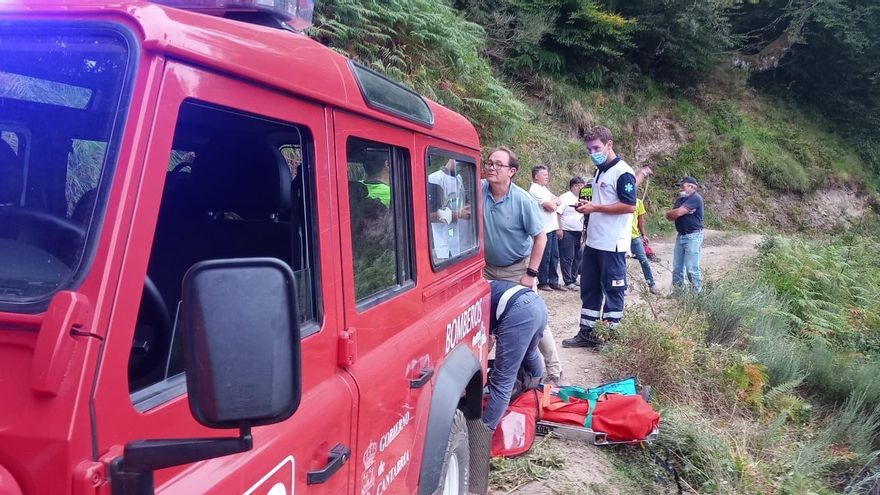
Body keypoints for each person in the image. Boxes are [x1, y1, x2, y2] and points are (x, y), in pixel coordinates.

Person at [482, 146, 563, 385]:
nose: (492, 167)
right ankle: (477, 371)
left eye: (498, 164)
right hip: (486, 268)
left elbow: (541, 237)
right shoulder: (479, 190)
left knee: (532, 318)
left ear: (512, 172)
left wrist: (531, 273)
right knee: (483, 318)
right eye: (489, 162)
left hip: (518, 268)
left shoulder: (522, 200)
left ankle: (554, 369)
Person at [563, 126, 637, 349]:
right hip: (594, 241)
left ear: (609, 144)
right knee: (590, 288)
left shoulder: (623, 172)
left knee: (613, 290)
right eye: (589, 149)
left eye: (596, 148)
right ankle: (588, 333)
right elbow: (599, 204)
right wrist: (586, 207)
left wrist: (595, 207)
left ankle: (610, 337)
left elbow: (629, 205)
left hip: (612, 244)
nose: (592, 152)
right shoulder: (599, 172)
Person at [483, 279, 546, 431]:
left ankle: (484, 433)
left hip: (517, 311)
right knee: (529, 353)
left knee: (503, 379)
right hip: (536, 303)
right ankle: (534, 389)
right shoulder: (480, 284)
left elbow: (486, 343)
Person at [665, 176, 704, 294]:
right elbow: (669, 216)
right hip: (681, 235)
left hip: (693, 236)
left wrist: (679, 213)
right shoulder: (680, 200)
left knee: (692, 268)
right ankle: (678, 293)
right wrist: (679, 212)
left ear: (691, 187)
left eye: (682, 186)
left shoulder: (695, 198)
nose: (680, 188)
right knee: (677, 268)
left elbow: (677, 212)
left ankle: (697, 294)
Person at [528, 165, 564, 291]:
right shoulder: (535, 190)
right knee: (545, 255)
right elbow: (552, 206)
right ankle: (543, 281)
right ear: (536, 176)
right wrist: (553, 203)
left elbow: (558, 200)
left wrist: (554, 202)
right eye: (544, 175)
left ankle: (553, 280)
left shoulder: (543, 189)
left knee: (554, 255)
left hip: (552, 226)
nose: (547, 177)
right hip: (543, 228)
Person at [428, 158, 471, 261]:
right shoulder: (434, 179)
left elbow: (460, 202)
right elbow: (430, 215)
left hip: (463, 246)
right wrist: (458, 215)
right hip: (447, 249)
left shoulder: (458, 178)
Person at [557, 176, 586, 291]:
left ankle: (574, 278)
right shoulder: (565, 197)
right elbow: (558, 213)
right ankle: (568, 280)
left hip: (579, 231)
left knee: (577, 257)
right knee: (567, 257)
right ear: (574, 186)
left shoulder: (583, 198)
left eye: (582, 185)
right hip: (567, 230)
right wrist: (559, 229)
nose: (581, 187)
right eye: (579, 185)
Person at [630, 198, 659, 295]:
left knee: (643, 260)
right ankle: (622, 286)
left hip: (634, 236)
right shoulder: (619, 200)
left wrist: (643, 234)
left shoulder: (638, 202)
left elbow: (640, 219)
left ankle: (651, 284)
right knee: (620, 262)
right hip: (621, 237)